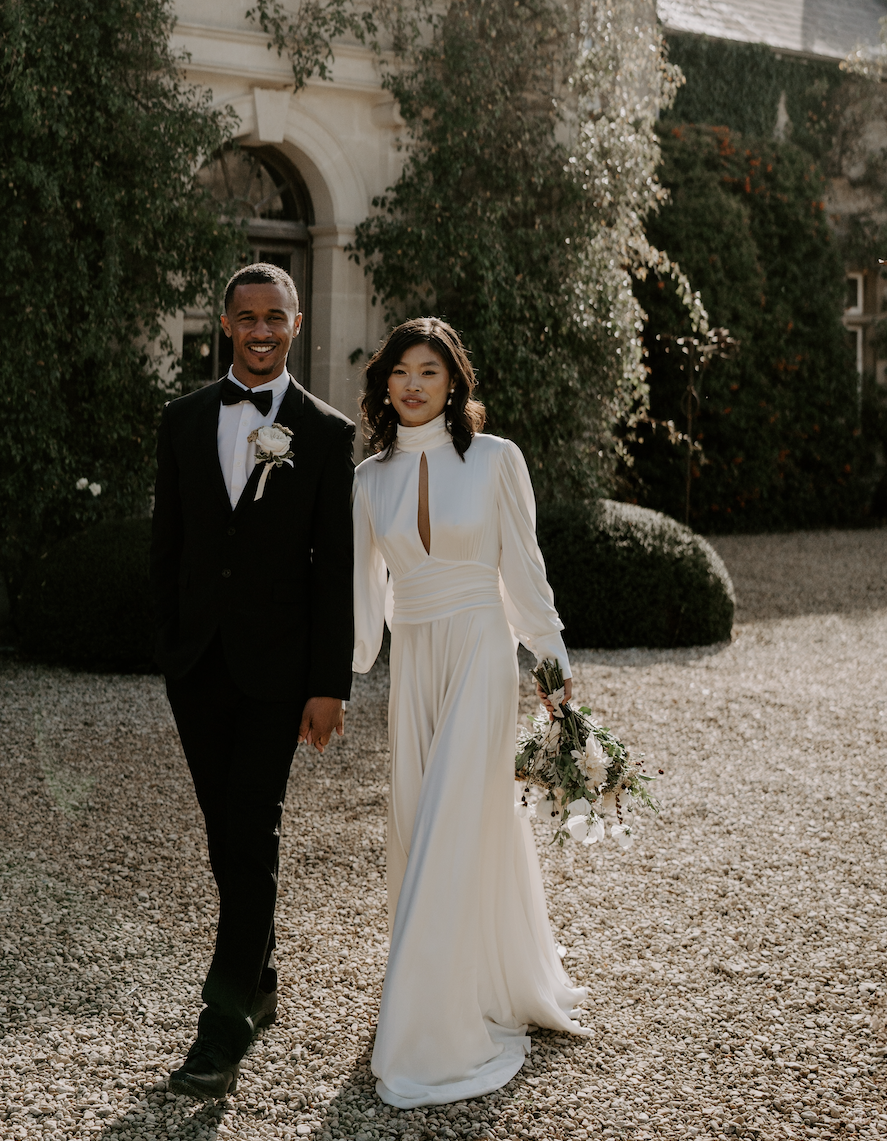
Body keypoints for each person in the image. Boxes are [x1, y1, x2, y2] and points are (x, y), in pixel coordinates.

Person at [353, 317, 591, 1109]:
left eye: (429, 371)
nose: (414, 384)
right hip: (413, 663)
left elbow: (523, 571)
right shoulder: (369, 480)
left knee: (455, 819)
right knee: (422, 824)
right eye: (400, 372)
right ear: (384, 385)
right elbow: (363, 602)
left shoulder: (496, 460)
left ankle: (429, 1030)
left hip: (482, 657)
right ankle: (463, 980)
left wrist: (551, 666)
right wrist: (335, 681)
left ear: (454, 382)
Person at [151, 262, 356, 1100]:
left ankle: (221, 1024)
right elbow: (168, 542)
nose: (262, 330)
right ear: (225, 324)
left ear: (296, 324)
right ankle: (262, 974)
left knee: (252, 834)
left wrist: (328, 683)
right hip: (198, 666)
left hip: (280, 674)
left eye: (276, 316)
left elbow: (333, 568)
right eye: (247, 317)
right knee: (222, 839)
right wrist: (170, 646)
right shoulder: (184, 419)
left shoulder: (328, 432)